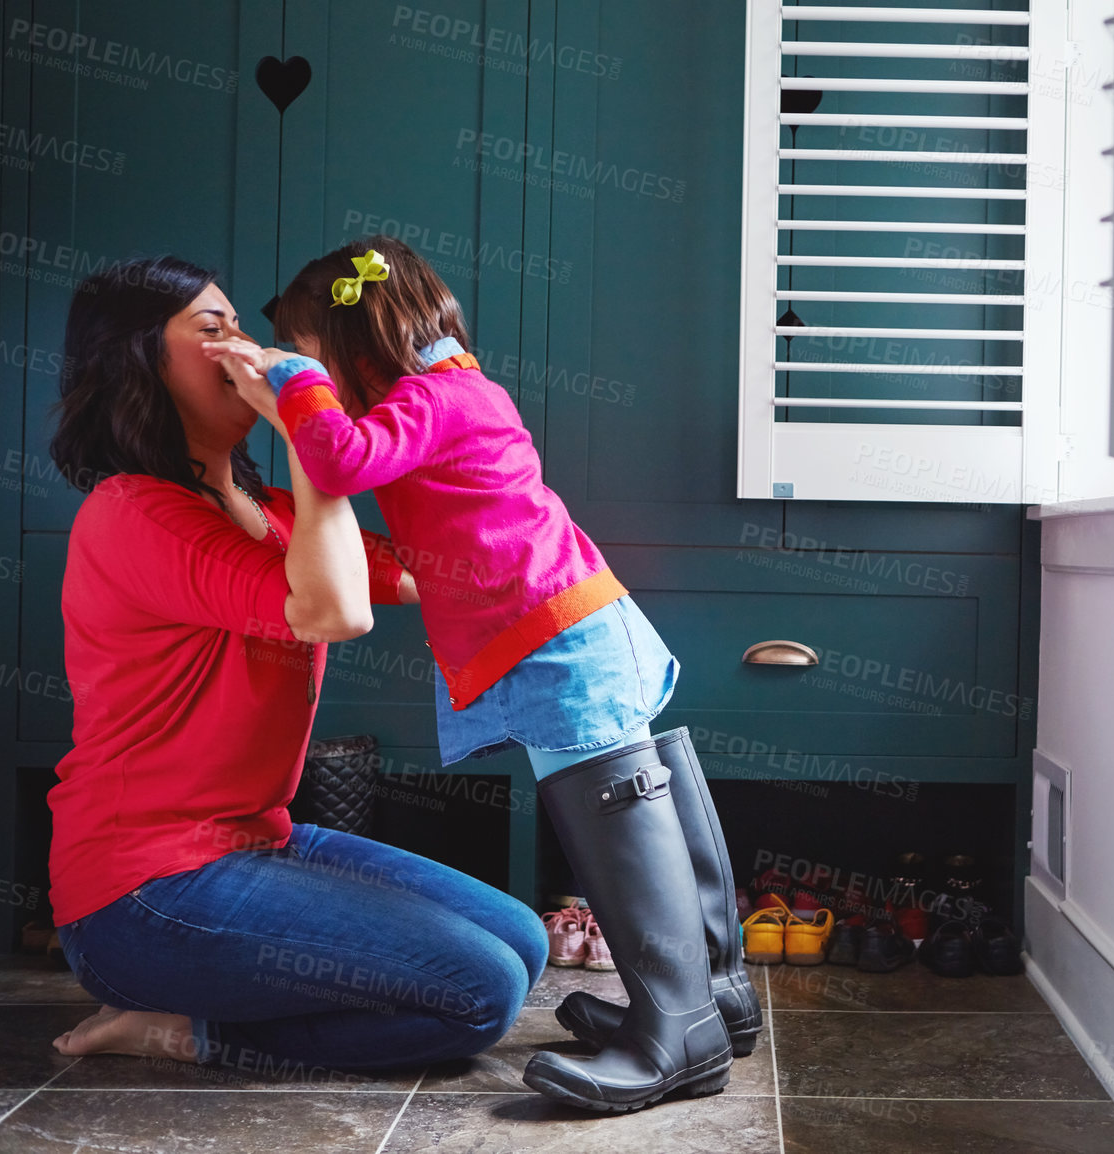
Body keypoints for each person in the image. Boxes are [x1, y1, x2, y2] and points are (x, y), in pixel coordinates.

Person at [206, 239, 758, 1113]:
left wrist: (287, 383)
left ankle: (678, 1032)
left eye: (316, 358)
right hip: (565, 630)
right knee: (645, 800)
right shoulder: (451, 394)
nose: (314, 382)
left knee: (619, 816)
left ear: (356, 345)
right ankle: (708, 998)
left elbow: (340, 459)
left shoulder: (441, 395)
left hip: (562, 640)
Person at [45, 256, 548, 1077]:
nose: (249, 347)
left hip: (260, 841)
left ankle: (231, 992)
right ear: (138, 360)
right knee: (480, 992)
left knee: (523, 943)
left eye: (243, 325)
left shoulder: (271, 509)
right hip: (141, 893)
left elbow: (431, 570)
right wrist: (311, 440)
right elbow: (334, 609)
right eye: (214, 331)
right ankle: (184, 1028)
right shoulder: (131, 514)